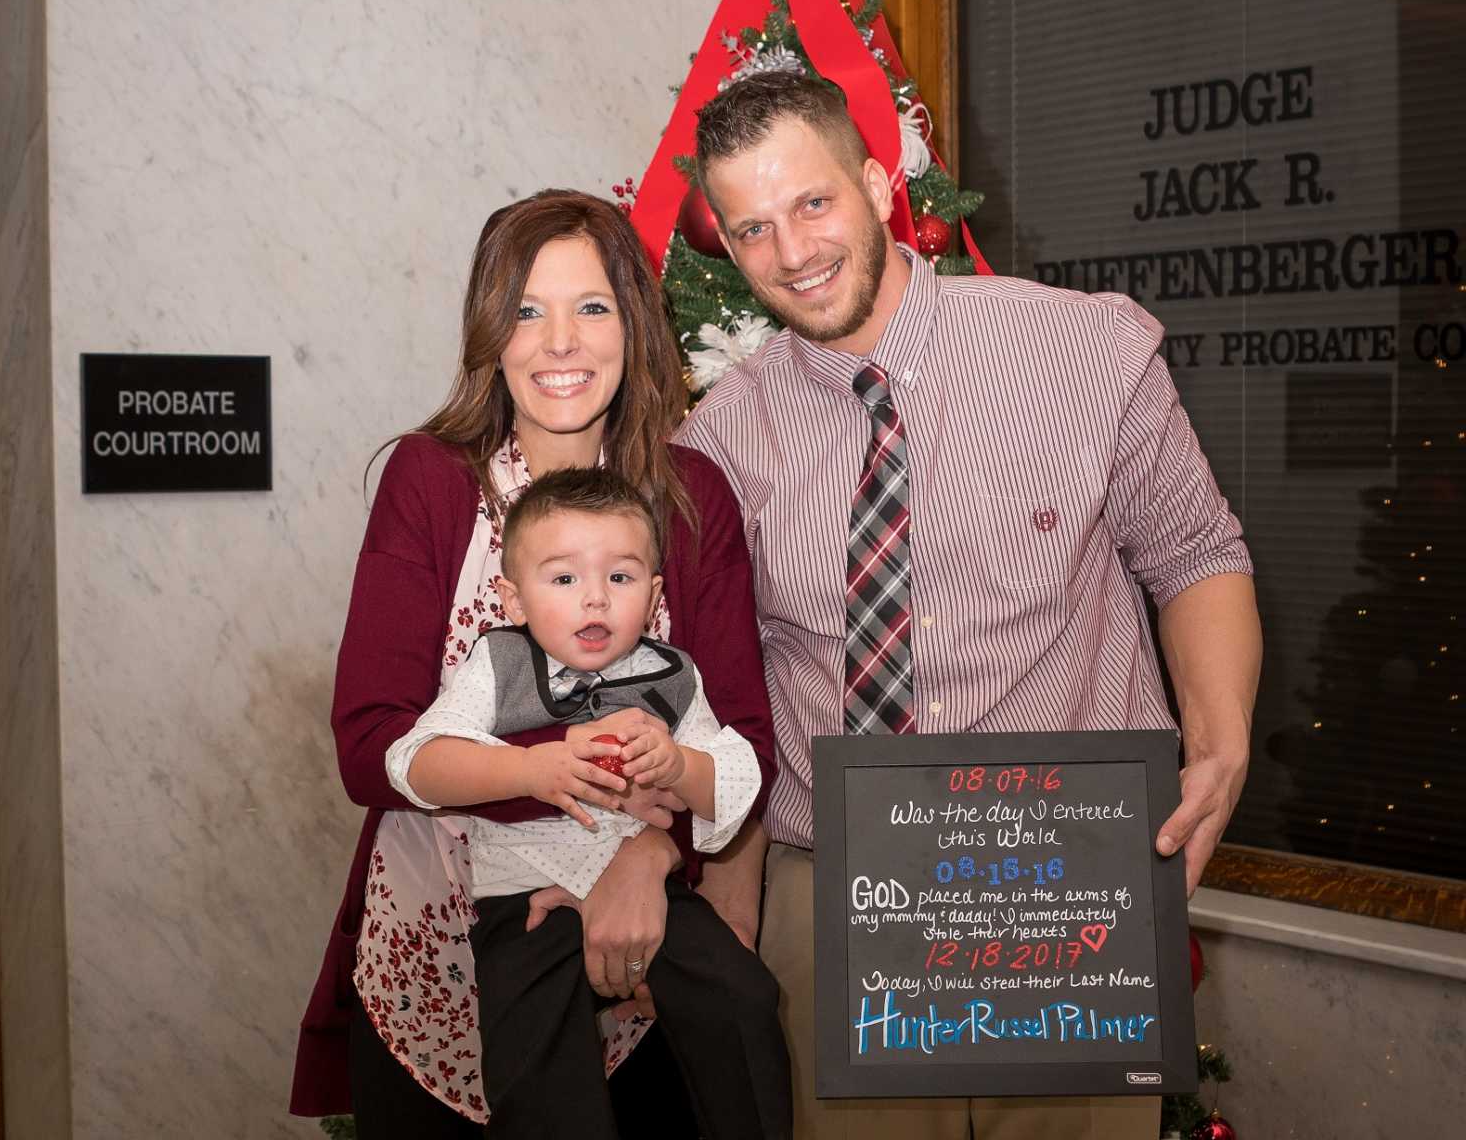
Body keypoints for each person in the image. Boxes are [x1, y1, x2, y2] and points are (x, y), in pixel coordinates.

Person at [675, 71, 1262, 1140]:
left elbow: (1193, 553)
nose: (794, 252)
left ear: (873, 178)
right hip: (840, 906)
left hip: (1065, 890)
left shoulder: (1081, 350)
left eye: (812, 204)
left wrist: (1219, 745)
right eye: (752, 228)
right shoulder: (715, 441)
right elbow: (717, 692)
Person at [290, 189, 779, 1137]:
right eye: (527, 309)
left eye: (591, 307)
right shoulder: (432, 482)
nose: (561, 342)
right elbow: (369, 746)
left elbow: (741, 745)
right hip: (436, 965)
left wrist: (649, 855)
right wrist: (579, 809)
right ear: (491, 331)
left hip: (627, 966)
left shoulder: (693, 501)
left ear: (633, 325)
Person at [386, 466, 788, 1138]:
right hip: (525, 901)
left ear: (654, 594)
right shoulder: (499, 664)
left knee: (742, 996)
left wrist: (680, 764)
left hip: (650, 892)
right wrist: (529, 768)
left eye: (621, 578)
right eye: (564, 579)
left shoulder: (673, 674)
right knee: (536, 1065)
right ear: (514, 600)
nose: (594, 600)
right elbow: (413, 761)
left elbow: (737, 782)